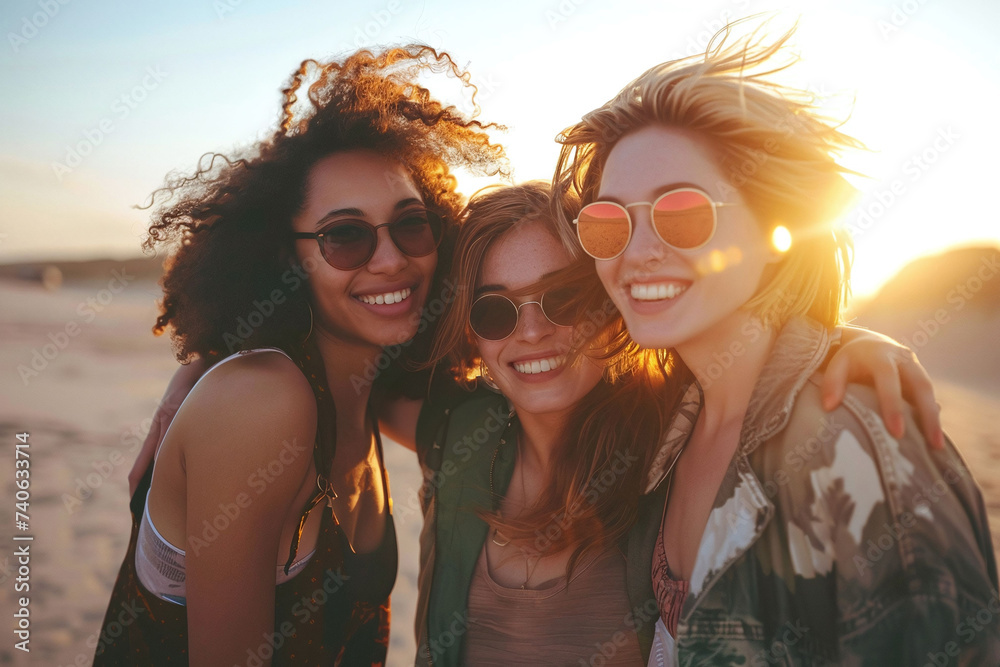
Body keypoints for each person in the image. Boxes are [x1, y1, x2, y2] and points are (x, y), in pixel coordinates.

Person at [551, 21, 1000, 665]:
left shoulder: (859, 445)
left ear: (775, 231)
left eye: (682, 212)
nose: (638, 253)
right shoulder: (663, 424)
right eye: (607, 223)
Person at [94, 45, 505, 666]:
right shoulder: (262, 399)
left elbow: (517, 432)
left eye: (411, 223)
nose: (391, 259)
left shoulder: (373, 387)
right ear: (286, 260)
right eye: (345, 235)